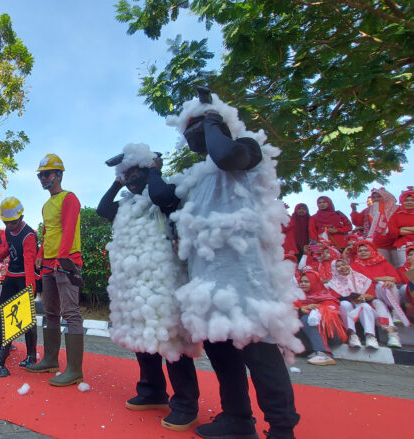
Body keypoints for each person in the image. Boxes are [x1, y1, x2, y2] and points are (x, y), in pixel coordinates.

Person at [153, 92, 302, 439]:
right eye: (188, 129)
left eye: (198, 125)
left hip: (245, 279)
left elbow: (225, 156)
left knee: (259, 355)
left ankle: (281, 429)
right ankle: (237, 419)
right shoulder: (196, 175)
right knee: (223, 355)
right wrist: (155, 170)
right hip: (207, 281)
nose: (191, 134)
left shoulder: (247, 148)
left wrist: (214, 120)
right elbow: (162, 197)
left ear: (218, 123)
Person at [97, 143, 201, 431]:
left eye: (134, 173)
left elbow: (160, 195)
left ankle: (185, 403)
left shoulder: (167, 192)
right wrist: (117, 180)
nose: (129, 179)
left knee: (171, 340)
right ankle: (152, 390)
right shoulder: (126, 205)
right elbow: (103, 208)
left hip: (165, 280)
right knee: (142, 336)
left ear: (149, 170)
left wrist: (155, 169)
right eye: (125, 174)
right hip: (136, 283)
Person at [25, 153, 85, 387]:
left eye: (47, 174)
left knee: (70, 313)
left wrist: (62, 258)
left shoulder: (69, 198)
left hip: (67, 262)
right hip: (49, 264)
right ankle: (50, 360)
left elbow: (69, 230)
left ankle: (75, 370)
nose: (42, 178)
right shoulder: (46, 205)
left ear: (59, 174)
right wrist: (40, 255)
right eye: (40, 175)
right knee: (50, 313)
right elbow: (49, 233)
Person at [0, 197, 39, 377]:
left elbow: (30, 263)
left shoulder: (29, 235)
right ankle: (2, 348)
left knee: (26, 318)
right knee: (3, 312)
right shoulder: (8, 230)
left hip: (25, 277)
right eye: (7, 222)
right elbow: (9, 248)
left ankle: (31, 355)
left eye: (13, 222)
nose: (10, 226)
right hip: (11, 275)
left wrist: (30, 289)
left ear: (21, 216)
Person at [349, 240, 403, 347]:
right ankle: (392, 335)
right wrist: (378, 278)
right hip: (367, 297)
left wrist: (385, 281)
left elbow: (397, 279)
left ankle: (395, 311)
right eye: (360, 251)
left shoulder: (384, 264)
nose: (363, 252)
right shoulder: (354, 265)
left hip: (384, 294)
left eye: (366, 250)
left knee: (384, 284)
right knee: (379, 303)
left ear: (372, 251)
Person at [295, 270, 345, 366]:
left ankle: (323, 353)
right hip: (310, 335)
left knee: (307, 318)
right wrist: (300, 309)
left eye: (307, 281)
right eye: (301, 281)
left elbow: (331, 314)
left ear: (314, 282)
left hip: (332, 334)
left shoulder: (326, 297)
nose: (303, 284)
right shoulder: (298, 297)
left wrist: (312, 310)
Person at [327, 259, 378, 349]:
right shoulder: (333, 284)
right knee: (344, 304)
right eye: (338, 266)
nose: (342, 267)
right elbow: (336, 299)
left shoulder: (362, 279)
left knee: (365, 306)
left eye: (344, 264)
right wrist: (353, 299)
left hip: (363, 308)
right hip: (347, 310)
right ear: (334, 269)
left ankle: (370, 336)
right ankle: (352, 335)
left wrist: (363, 297)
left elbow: (372, 296)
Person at [389, 187, 414, 266]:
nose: (409, 202)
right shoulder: (397, 214)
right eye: (406, 200)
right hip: (403, 245)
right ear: (402, 201)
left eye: (412, 200)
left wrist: (403, 229)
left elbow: (398, 230)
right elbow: (392, 231)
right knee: (407, 268)